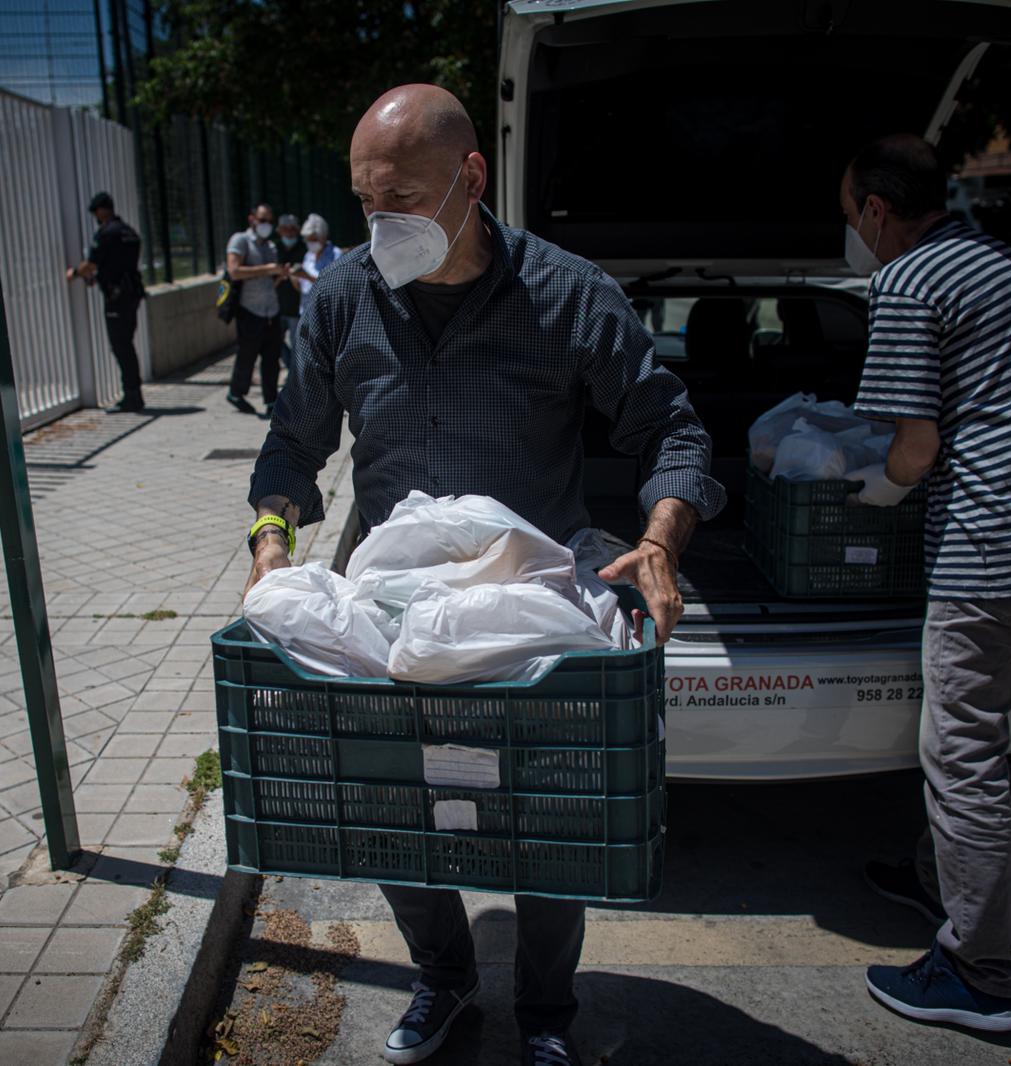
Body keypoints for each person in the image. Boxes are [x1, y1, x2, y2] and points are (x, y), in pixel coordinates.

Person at [242, 84, 724, 1066]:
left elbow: (670, 428)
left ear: (472, 177)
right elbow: (291, 444)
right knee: (388, 811)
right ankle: (444, 978)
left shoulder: (566, 294)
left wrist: (662, 539)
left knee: (543, 822)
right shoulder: (341, 298)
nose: (385, 227)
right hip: (384, 617)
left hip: (525, 615)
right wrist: (269, 541)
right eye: (368, 205)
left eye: (406, 201)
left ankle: (546, 1014)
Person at [841, 134, 1011, 1033]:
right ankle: (935, 882)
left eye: (849, 211)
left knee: (962, 761)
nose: (851, 229)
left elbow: (915, 446)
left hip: (988, 560)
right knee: (977, 740)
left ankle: (979, 974)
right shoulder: (998, 264)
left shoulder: (909, 283)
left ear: (875, 209)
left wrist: (878, 487)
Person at [66, 191, 144, 413]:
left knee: (121, 346)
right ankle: (133, 393)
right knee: (126, 344)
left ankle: (132, 396)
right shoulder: (128, 231)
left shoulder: (107, 233)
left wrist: (74, 273)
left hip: (118, 296)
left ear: (101, 210)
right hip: (132, 292)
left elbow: (91, 263)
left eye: (95, 213)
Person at [225, 203, 287, 417]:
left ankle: (271, 400)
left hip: (271, 309)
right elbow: (234, 271)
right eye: (262, 220)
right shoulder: (241, 241)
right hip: (249, 309)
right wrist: (267, 269)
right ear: (252, 219)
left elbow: (271, 281)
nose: (266, 225)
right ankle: (236, 392)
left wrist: (279, 274)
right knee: (247, 355)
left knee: (272, 358)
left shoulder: (270, 246)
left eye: (270, 221)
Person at [273, 213, 306, 368]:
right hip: (277, 307)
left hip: (296, 308)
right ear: (279, 231)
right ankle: (292, 370)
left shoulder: (304, 249)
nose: (289, 233)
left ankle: (294, 379)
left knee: (297, 346)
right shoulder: (274, 250)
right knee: (274, 342)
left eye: (292, 229)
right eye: (285, 229)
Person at [296, 213, 340, 319]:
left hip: (326, 315)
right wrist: (295, 277)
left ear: (323, 237)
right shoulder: (308, 255)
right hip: (305, 312)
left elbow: (334, 286)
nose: (310, 243)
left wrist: (307, 276)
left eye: (313, 239)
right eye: (308, 239)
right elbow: (303, 288)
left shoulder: (336, 254)